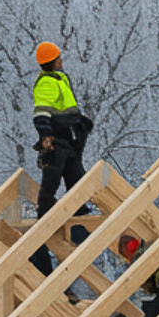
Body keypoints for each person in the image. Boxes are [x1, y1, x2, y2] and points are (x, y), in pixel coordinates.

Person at [29, 41, 93, 276]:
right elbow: (42, 113)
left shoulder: (59, 79)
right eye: (59, 57)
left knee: (79, 181)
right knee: (51, 182)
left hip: (67, 139)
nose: (61, 60)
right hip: (56, 141)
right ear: (53, 60)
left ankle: (80, 221)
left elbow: (66, 108)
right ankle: (44, 221)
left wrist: (80, 121)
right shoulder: (46, 82)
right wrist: (46, 136)